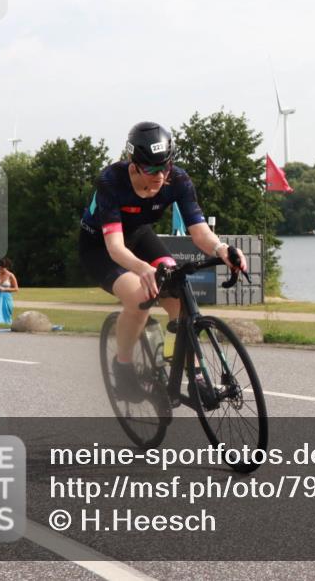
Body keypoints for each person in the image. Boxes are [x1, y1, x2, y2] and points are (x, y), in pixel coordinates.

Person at [79, 121, 246, 400]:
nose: (160, 176)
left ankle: (185, 366)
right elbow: (115, 247)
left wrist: (221, 248)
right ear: (134, 165)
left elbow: (199, 231)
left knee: (176, 285)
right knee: (139, 296)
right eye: (152, 169)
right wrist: (144, 269)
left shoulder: (177, 179)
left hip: (139, 235)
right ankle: (122, 367)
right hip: (100, 246)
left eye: (165, 166)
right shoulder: (111, 180)